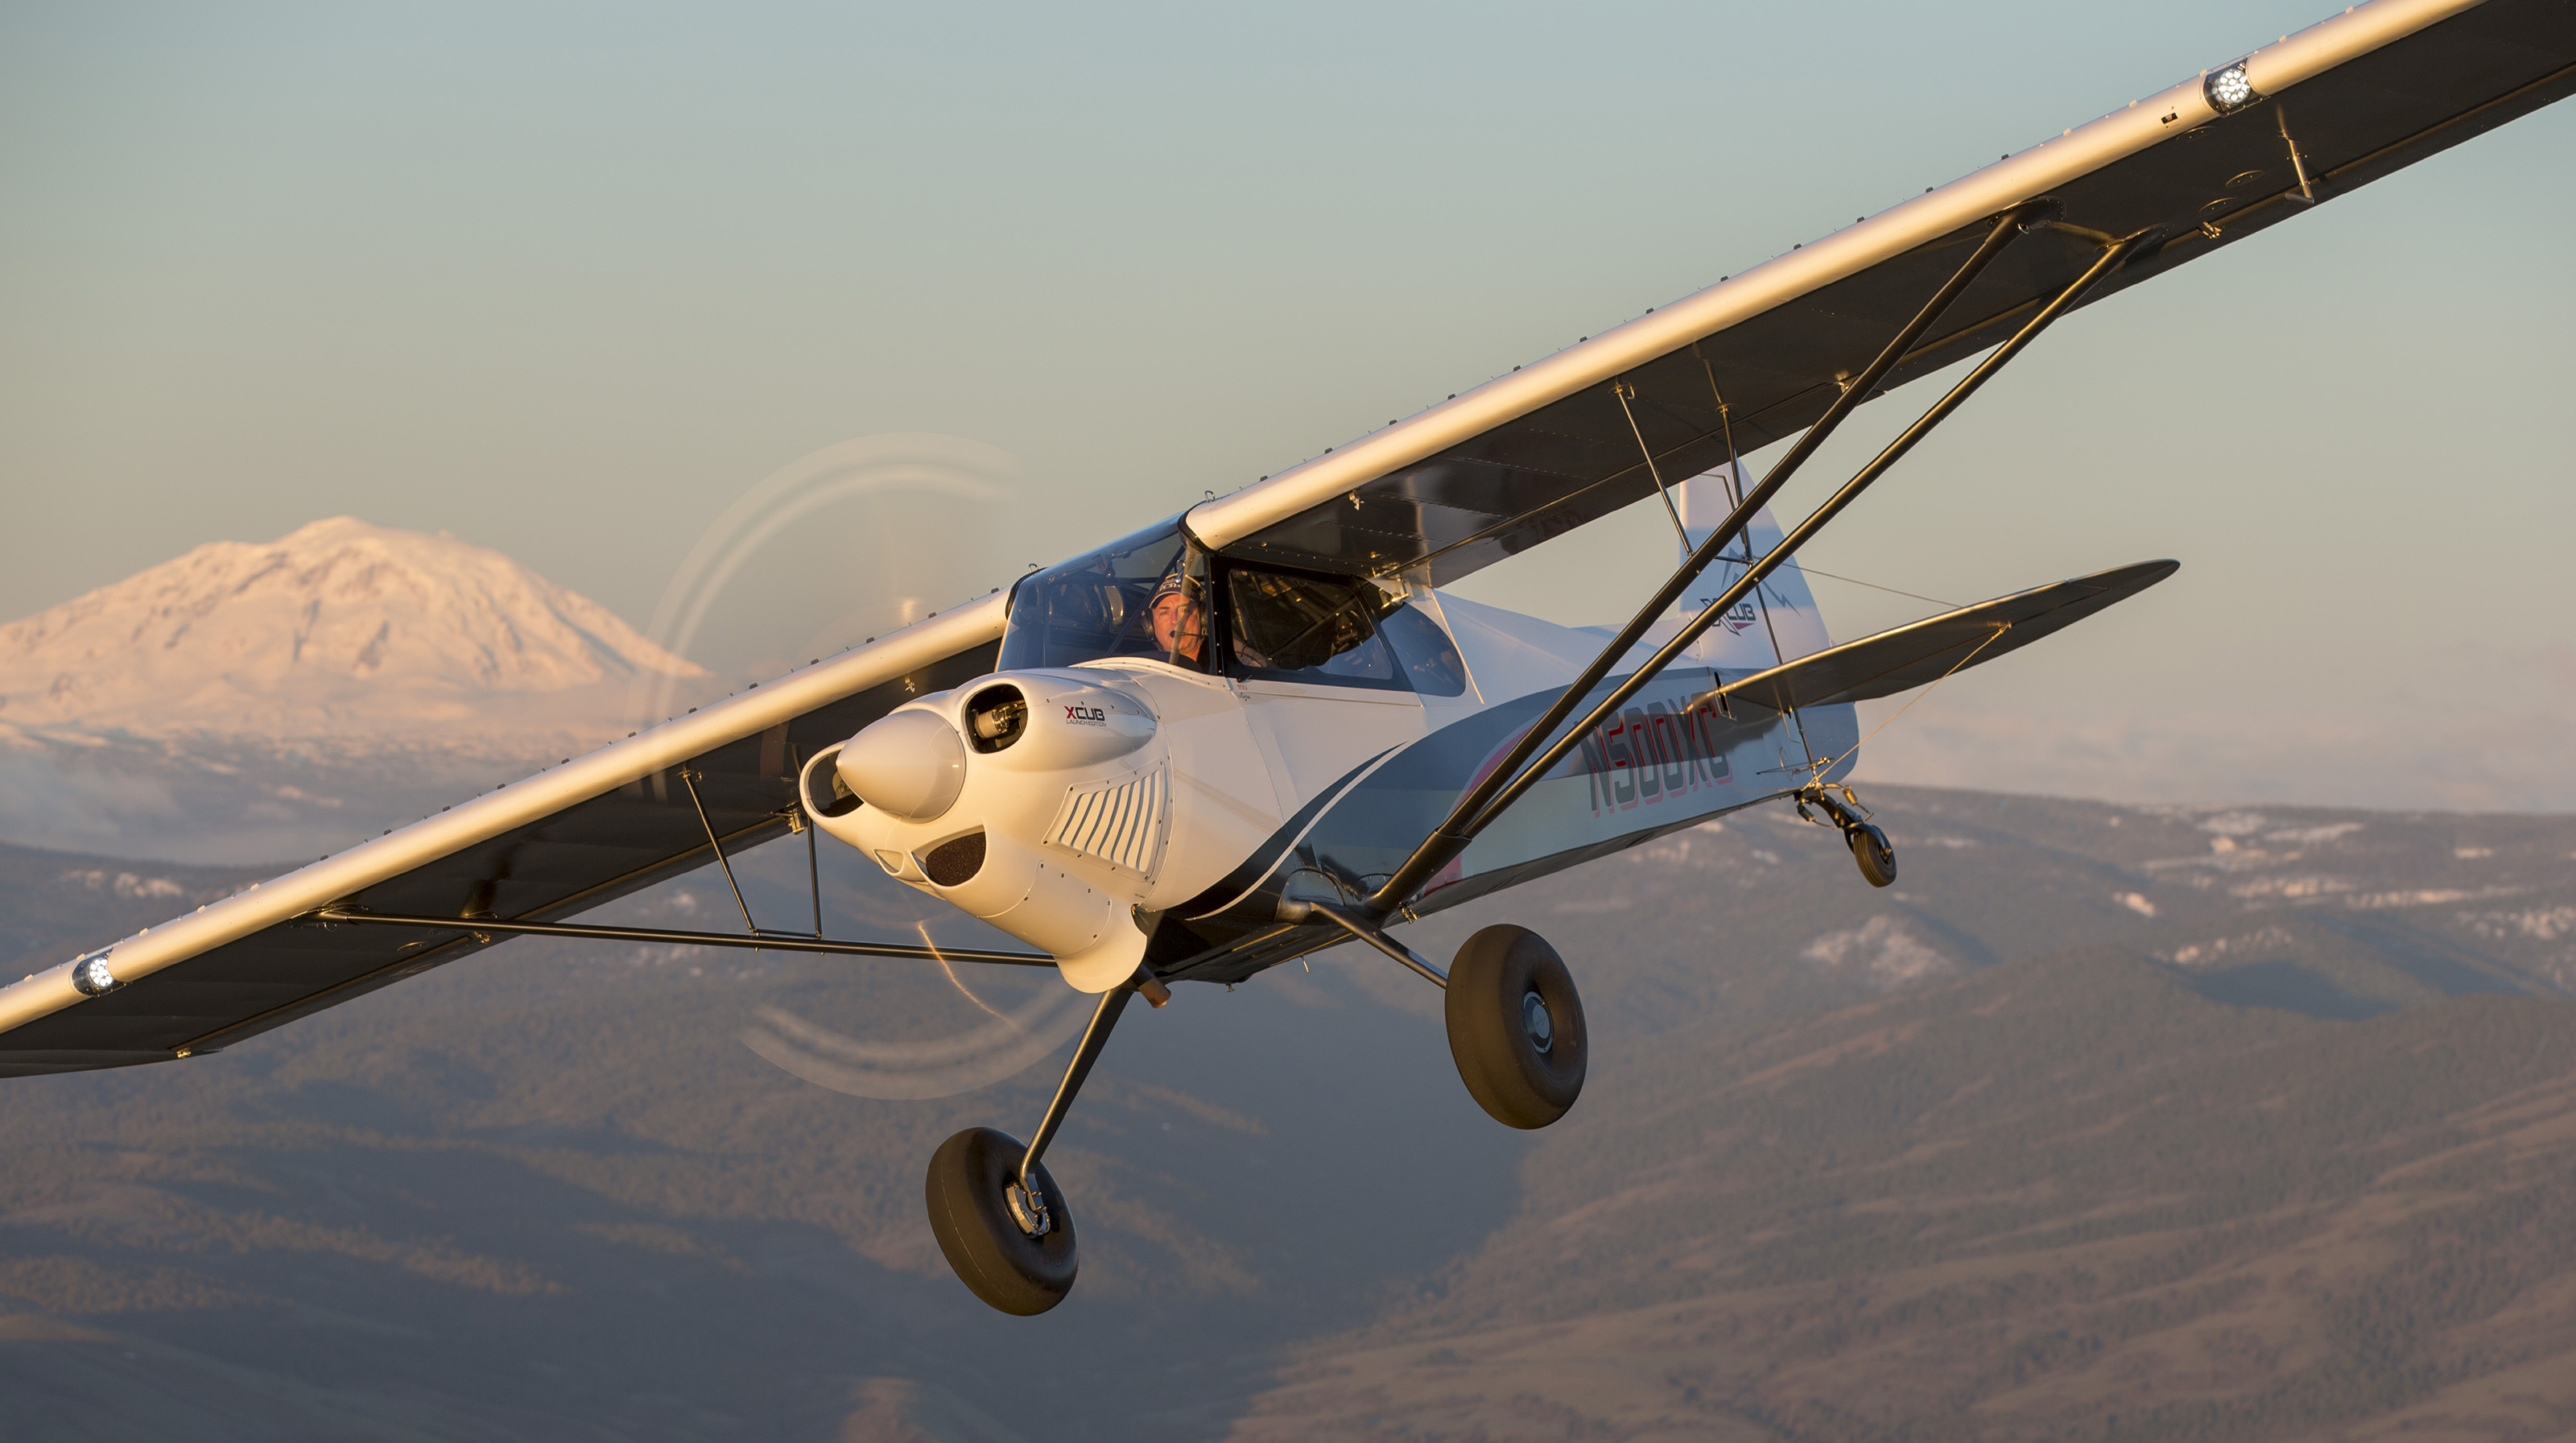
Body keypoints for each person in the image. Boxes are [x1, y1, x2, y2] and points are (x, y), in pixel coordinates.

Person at [1146, 573, 1208, 665]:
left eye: (1185, 610)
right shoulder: (1144, 671)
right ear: (1150, 625)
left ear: (1203, 617)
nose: (1175, 620)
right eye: (1164, 613)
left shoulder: (1229, 668)